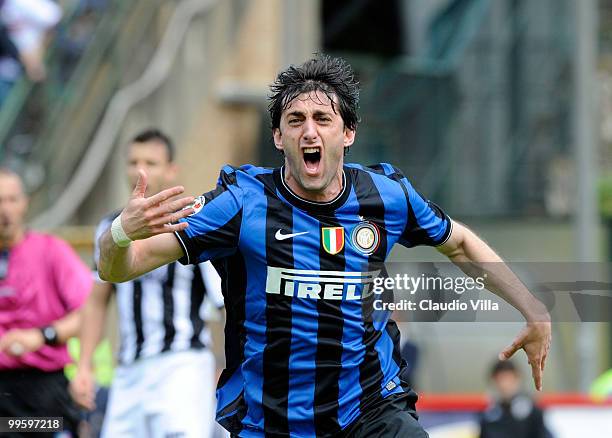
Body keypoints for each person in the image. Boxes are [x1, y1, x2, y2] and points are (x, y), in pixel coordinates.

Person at [96, 55, 552, 438]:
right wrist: (120, 232)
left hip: (370, 409)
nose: (309, 131)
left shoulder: (385, 196)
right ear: (278, 138)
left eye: (322, 119)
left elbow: (461, 244)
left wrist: (533, 308)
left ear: (347, 133)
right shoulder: (239, 203)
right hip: (269, 420)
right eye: (295, 121)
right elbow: (119, 268)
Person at [70, 129, 225, 438]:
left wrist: (226, 367)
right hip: (128, 369)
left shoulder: (194, 222)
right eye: (133, 161)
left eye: (151, 162)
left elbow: (224, 303)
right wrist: (84, 365)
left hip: (182, 364)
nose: (140, 170)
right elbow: (97, 300)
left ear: (171, 170)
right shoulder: (110, 227)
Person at [0, 168, 92, 437]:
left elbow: (88, 310)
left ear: (24, 203)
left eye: (12, 200)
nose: (5, 210)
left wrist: (42, 336)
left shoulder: (52, 251)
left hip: (44, 393)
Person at [480, 360, 553, 438]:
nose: (504, 385)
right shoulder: (488, 416)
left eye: (508, 379)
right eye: (500, 380)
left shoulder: (533, 412)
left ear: (518, 379)